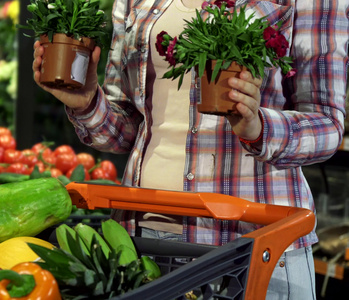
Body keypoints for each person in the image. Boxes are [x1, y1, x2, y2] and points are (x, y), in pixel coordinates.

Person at [32, 0, 348, 298]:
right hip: (144, 241)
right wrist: (87, 102)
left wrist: (258, 127)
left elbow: (327, 124)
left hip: (250, 247)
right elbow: (129, 128)